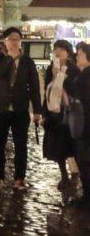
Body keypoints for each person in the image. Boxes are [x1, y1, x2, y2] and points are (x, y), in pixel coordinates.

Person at [0, 26, 42, 190]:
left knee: (21, 145)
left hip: (20, 109)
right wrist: (10, 59)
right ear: (5, 41)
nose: (15, 41)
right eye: (12, 38)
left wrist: (37, 110)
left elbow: (34, 86)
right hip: (0, 108)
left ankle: (20, 178)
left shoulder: (28, 62)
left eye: (18, 38)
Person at [42, 39, 78, 190]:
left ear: (67, 52)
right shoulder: (52, 68)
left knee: (71, 147)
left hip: (68, 113)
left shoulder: (73, 70)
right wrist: (44, 113)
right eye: (55, 49)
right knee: (57, 148)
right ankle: (63, 175)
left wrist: (61, 77)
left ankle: (75, 175)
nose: (57, 52)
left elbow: (74, 89)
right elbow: (47, 91)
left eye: (60, 49)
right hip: (53, 114)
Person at [67, 42, 90, 207]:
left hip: (86, 125)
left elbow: (79, 94)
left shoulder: (86, 76)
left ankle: (87, 198)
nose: (77, 56)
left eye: (80, 54)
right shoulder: (82, 74)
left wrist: (64, 81)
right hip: (84, 123)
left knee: (84, 160)